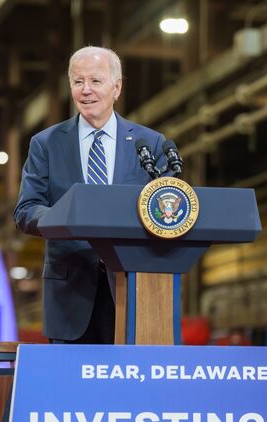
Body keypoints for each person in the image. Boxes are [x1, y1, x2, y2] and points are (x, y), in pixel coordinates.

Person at [14, 46, 168, 344]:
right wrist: (70, 217)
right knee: (70, 377)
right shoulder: (46, 144)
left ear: (116, 87)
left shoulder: (150, 144)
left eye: (95, 81)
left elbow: (165, 211)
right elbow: (26, 210)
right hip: (69, 296)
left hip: (133, 290)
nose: (86, 90)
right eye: (78, 81)